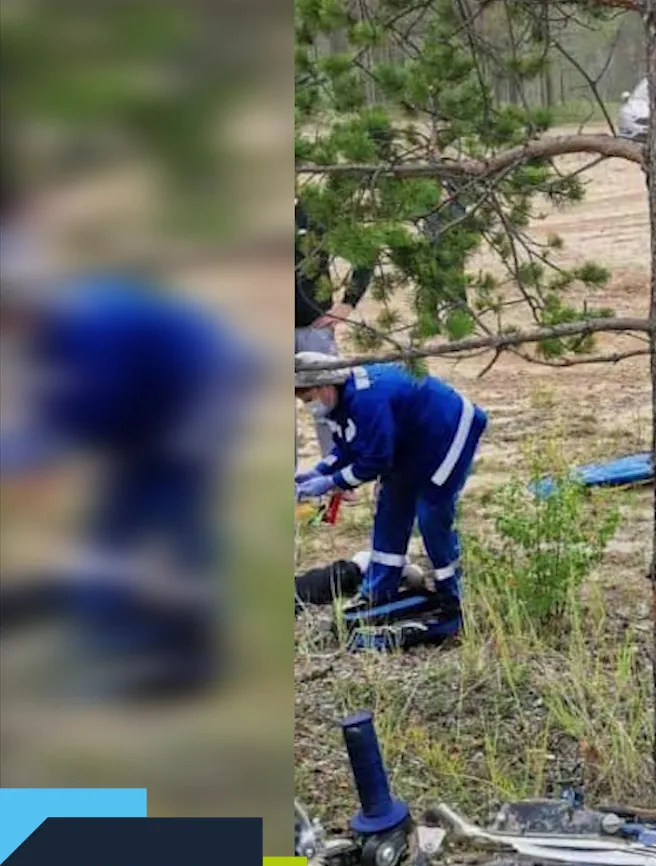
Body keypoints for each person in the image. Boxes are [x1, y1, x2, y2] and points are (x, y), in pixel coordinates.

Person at [0, 208, 250, 698]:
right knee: (113, 529)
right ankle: (114, 630)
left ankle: (196, 650)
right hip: (148, 413)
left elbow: (86, 414)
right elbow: (54, 415)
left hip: (198, 405)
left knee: (175, 517)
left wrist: (30, 458)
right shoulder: (46, 336)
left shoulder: (87, 327)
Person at [294, 353, 486, 652]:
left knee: (431, 514)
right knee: (390, 507)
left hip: (448, 432)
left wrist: (332, 482)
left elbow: (375, 459)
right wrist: (319, 471)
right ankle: (379, 589)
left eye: (308, 398)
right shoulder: (337, 401)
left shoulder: (367, 399)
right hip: (408, 439)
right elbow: (348, 445)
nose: (308, 405)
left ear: (324, 384)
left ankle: (453, 597)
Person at [296, 197, 377, 463]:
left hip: (314, 327)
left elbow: (364, 253)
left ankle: (337, 473)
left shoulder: (317, 214)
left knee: (328, 403)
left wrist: (347, 304)